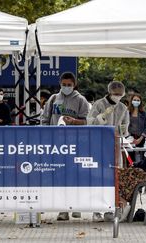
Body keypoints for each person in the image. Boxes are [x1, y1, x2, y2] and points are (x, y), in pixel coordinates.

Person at [41, 72, 89, 221]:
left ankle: (76, 206)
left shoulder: (81, 100)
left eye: (69, 85)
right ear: (60, 83)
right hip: (56, 144)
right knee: (59, 176)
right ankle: (62, 209)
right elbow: (45, 119)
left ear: (74, 85)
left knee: (75, 176)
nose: (66, 87)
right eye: (64, 84)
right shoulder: (53, 98)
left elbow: (88, 121)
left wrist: (74, 121)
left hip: (75, 143)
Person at [87, 81, 129, 222]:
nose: (117, 96)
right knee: (98, 177)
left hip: (115, 144)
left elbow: (125, 127)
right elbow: (90, 122)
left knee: (114, 177)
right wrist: (103, 116)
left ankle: (110, 209)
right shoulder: (99, 104)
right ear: (110, 92)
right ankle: (96, 210)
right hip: (99, 144)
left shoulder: (123, 107)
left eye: (120, 94)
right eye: (115, 94)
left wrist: (122, 131)